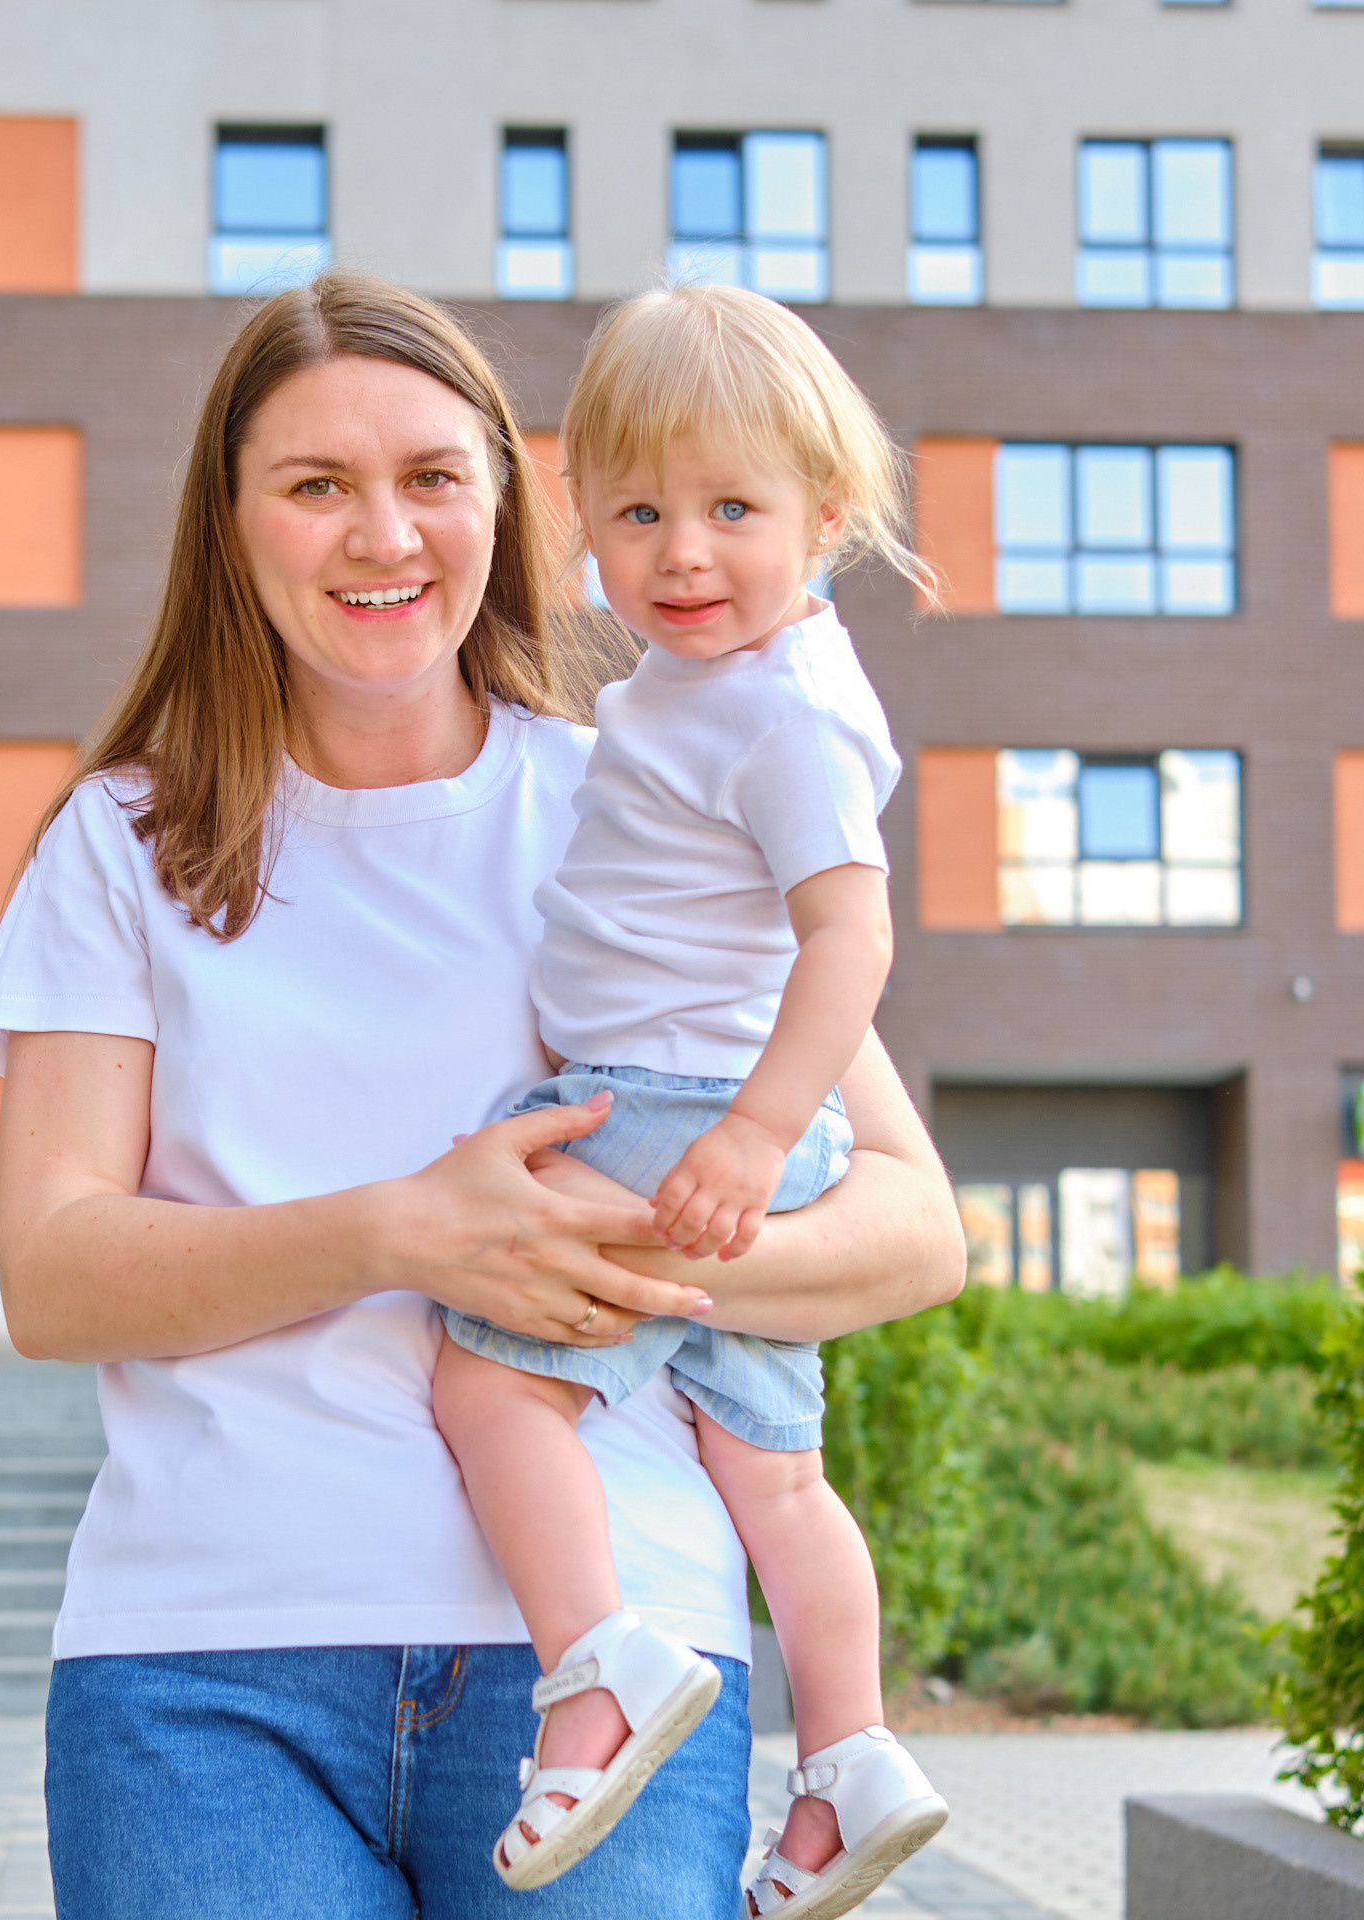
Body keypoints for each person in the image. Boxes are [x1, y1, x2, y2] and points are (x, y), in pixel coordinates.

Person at [0, 271, 965, 1920]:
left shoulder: (646, 789)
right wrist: (409, 1233)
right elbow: (58, 1276)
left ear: (507, 499)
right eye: (315, 487)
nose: (383, 537)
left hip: (621, 1660)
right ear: (232, 524)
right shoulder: (121, 846)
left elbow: (917, 1233)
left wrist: (602, 1255)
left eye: (430, 478)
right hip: (206, 1672)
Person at [432, 285, 949, 1916]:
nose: (683, 555)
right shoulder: (714, 686)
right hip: (713, 1104)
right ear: (581, 514)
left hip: (674, 1102)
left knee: (491, 1389)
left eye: (735, 511)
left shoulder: (778, 713)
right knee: (773, 1476)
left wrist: (743, 1134)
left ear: (830, 517)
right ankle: (850, 1760)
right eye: (641, 512)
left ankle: (594, 1671)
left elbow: (853, 933)